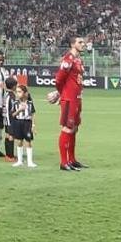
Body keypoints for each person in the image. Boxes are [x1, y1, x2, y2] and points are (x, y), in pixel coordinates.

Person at [50, 36, 88, 171]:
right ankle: (63, 162)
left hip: (77, 98)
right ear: (73, 44)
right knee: (67, 128)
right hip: (69, 99)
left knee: (75, 128)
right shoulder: (68, 59)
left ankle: (72, 160)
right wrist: (61, 94)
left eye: (84, 42)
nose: (83, 44)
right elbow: (59, 79)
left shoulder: (78, 60)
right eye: (80, 42)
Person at [9, 84, 38, 167]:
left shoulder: (30, 103)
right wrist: (19, 110)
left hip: (27, 123)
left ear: (25, 93)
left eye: (19, 92)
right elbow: (13, 115)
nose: (17, 93)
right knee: (19, 141)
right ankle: (19, 161)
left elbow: (33, 114)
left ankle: (30, 162)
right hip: (18, 123)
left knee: (28, 142)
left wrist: (33, 125)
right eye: (17, 92)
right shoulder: (15, 103)